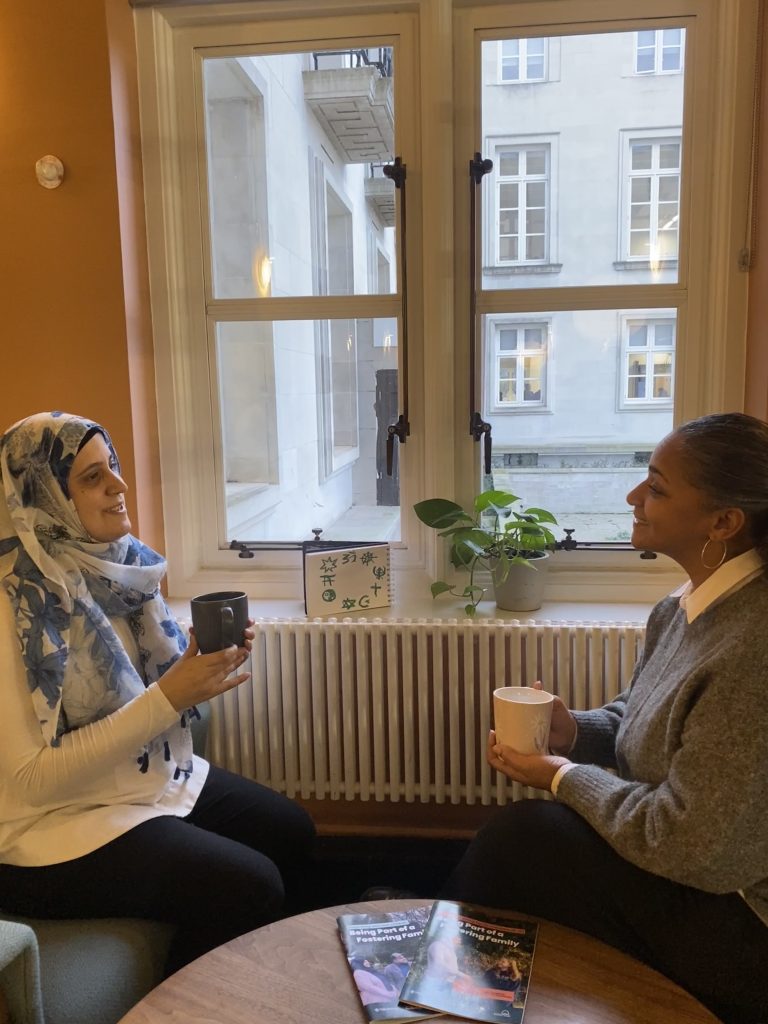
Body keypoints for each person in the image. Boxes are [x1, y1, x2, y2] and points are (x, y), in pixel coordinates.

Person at [442, 413, 768, 1024]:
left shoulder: (754, 649)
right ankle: (459, 979)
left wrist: (562, 775)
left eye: (658, 487)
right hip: (690, 867)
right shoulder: (681, 610)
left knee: (521, 843)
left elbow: (695, 844)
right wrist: (577, 731)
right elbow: (635, 716)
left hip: (743, 924)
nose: (633, 498)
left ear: (724, 522)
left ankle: (449, 987)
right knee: (521, 843)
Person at [0, 412, 316, 975]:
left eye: (115, 468)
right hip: (47, 830)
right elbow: (31, 782)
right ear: (44, 495)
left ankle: (286, 982)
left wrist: (196, 664)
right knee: (250, 885)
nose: (120, 486)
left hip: (136, 779)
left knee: (293, 832)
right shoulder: (15, 607)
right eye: (93, 478)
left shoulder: (116, 568)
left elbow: (150, 686)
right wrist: (169, 697)